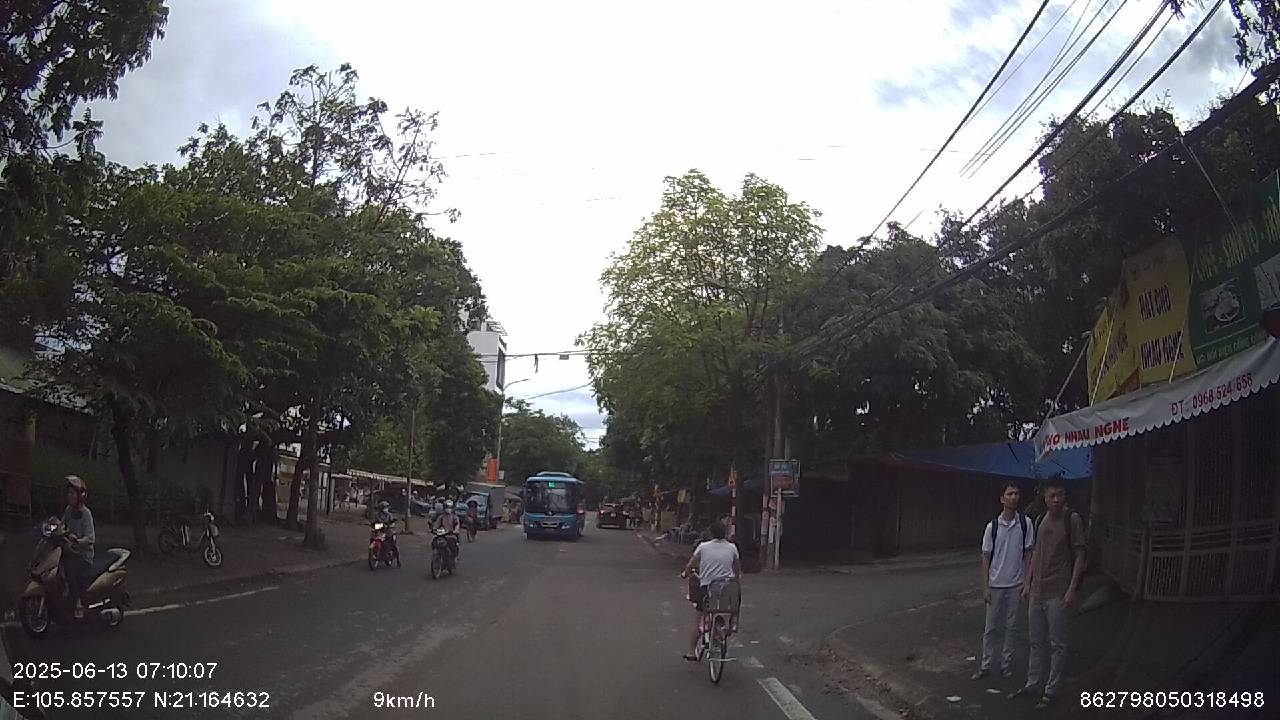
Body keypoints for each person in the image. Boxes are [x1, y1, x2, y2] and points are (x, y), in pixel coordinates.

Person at [1010, 478, 1086, 710]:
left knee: (1057, 643)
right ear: (1044, 497)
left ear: (1065, 496)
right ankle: (1033, 684)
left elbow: (1080, 555)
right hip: (1037, 590)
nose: (1055, 500)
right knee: (1036, 641)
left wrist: (1071, 588)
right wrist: (1027, 582)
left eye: (1059, 495)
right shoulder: (1040, 519)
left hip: (1057, 590)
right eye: (1051, 495)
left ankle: (1051, 690)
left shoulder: (1071, 519)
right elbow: (1035, 553)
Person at [972, 483, 1035, 681]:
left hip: (1016, 584)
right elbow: (985, 558)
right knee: (991, 628)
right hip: (996, 584)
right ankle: (986, 665)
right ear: (1002, 498)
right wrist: (985, 586)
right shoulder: (992, 527)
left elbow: (1029, 554)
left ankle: (1006, 665)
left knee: (1011, 627)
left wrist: (1027, 582)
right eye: (1010, 494)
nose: (1014, 497)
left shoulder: (1025, 524)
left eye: (1016, 493)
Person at [679, 521, 740, 661]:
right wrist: (736, 579)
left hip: (707, 588)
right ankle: (726, 628)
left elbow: (690, 564)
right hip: (727, 589)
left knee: (699, 617)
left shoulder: (703, 546)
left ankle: (691, 652)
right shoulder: (732, 548)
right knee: (725, 609)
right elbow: (737, 568)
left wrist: (684, 574)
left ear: (711, 534)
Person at [61, 476, 95, 619]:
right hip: (70, 550)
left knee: (69, 569)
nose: (69, 496)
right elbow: (62, 525)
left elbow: (91, 538)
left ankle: (77, 601)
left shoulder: (86, 514)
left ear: (80, 495)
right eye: (68, 493)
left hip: (83, 555)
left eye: (72, 493)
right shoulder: (68, 510)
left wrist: (78, 541)